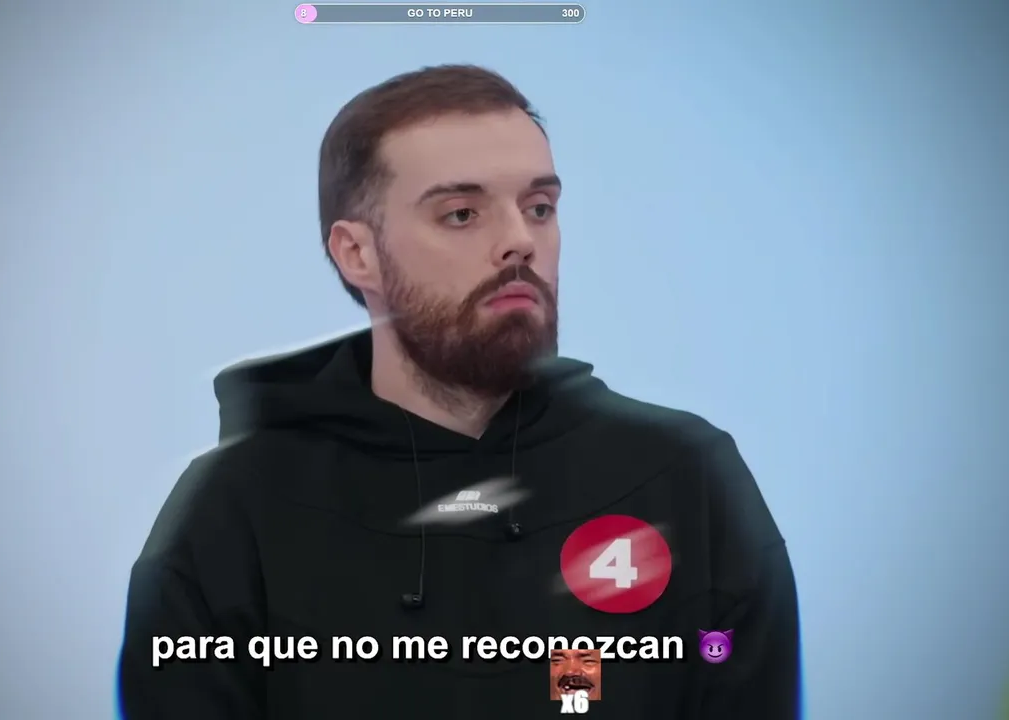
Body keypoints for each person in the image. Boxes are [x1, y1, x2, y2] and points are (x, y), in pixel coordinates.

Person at [119, 64, 801, 719]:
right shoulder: (236, 512)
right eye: (462, 214)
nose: (520, 241)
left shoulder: (680, 478)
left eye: (539, 207)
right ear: (357, 254)